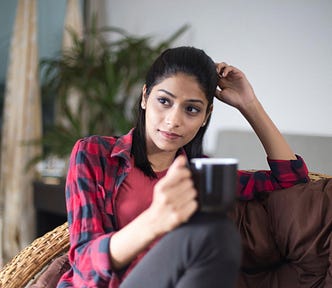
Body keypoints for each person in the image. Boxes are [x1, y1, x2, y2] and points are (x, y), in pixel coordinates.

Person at [57, 46, 309, 288]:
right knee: (212, 234)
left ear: (205, 117)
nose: (173, 120)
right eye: (164, 101)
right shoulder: (95, 153)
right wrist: (155, 220)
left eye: (191, 109)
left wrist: (249, 104)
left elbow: (291, 181)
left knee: (217, 234)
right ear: (145, 97)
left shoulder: (203, 174)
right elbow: (85, 265)